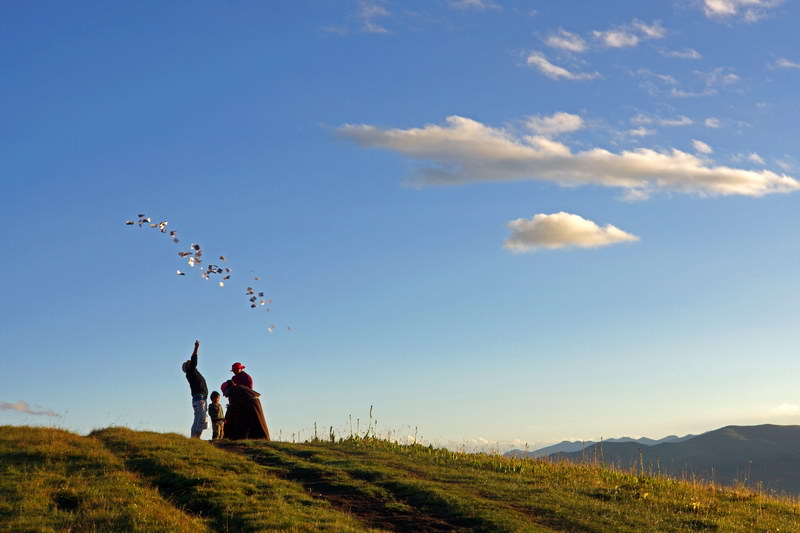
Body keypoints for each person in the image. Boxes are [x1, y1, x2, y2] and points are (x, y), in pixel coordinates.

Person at [182, 340, 208, 439]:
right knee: (201, 420)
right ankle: (196, 438)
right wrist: (196, 347)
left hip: (198, 399)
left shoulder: (192, 373)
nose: (189, 361)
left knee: (197, 420)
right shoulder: (191, 372)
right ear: (188, 367)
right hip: (200, 399)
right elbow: (194, 359)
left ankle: (193, 438)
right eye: (187, 363)